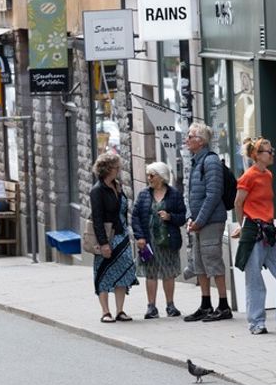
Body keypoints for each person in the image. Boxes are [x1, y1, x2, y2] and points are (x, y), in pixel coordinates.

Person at [232, 137, 276, 335]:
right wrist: (241, 226)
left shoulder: (268, 174)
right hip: (253, 229)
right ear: (257, 156)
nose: (273, 154)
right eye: (269, 151)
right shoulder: (248, 177)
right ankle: (256, 322)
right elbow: (238, 203)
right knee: (255, 280)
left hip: (268, 230)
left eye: (272, 150)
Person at [182, 122, 233, 323]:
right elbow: (191, 194)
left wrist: (199, 220)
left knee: (213, 261)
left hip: (211, 221)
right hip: (198, 221)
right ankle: (205, 304)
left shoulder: (210, 162)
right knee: (200, 263)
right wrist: (190, 218)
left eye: (190, 136)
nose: (187, 140)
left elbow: (213, 195)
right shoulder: (196, 161)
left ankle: (223, 305)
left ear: (201, 141)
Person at [132, 161, 186, 319]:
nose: (149, 178)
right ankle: (151, 307)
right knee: (151, 273)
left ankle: (170, 305)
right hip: (149, 240)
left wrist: (170, 217)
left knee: (168, 272)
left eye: (152, 175)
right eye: (148, 175)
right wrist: (139, 236)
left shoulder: (174, 194)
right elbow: (135, 217)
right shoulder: (143, 194)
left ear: (161, 177)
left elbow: (182, 216)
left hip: (168, 240)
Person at [90, 152, 137, 322]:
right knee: (103, 273)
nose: (119, 170)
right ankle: (105, 311)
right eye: (117, 167)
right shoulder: (97, 190)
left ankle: (120, 310)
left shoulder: (117, 186)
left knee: (123, 272)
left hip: (122, 235)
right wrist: (103, 244)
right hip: (108, 238)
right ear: (109, 169)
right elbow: (97, 219)